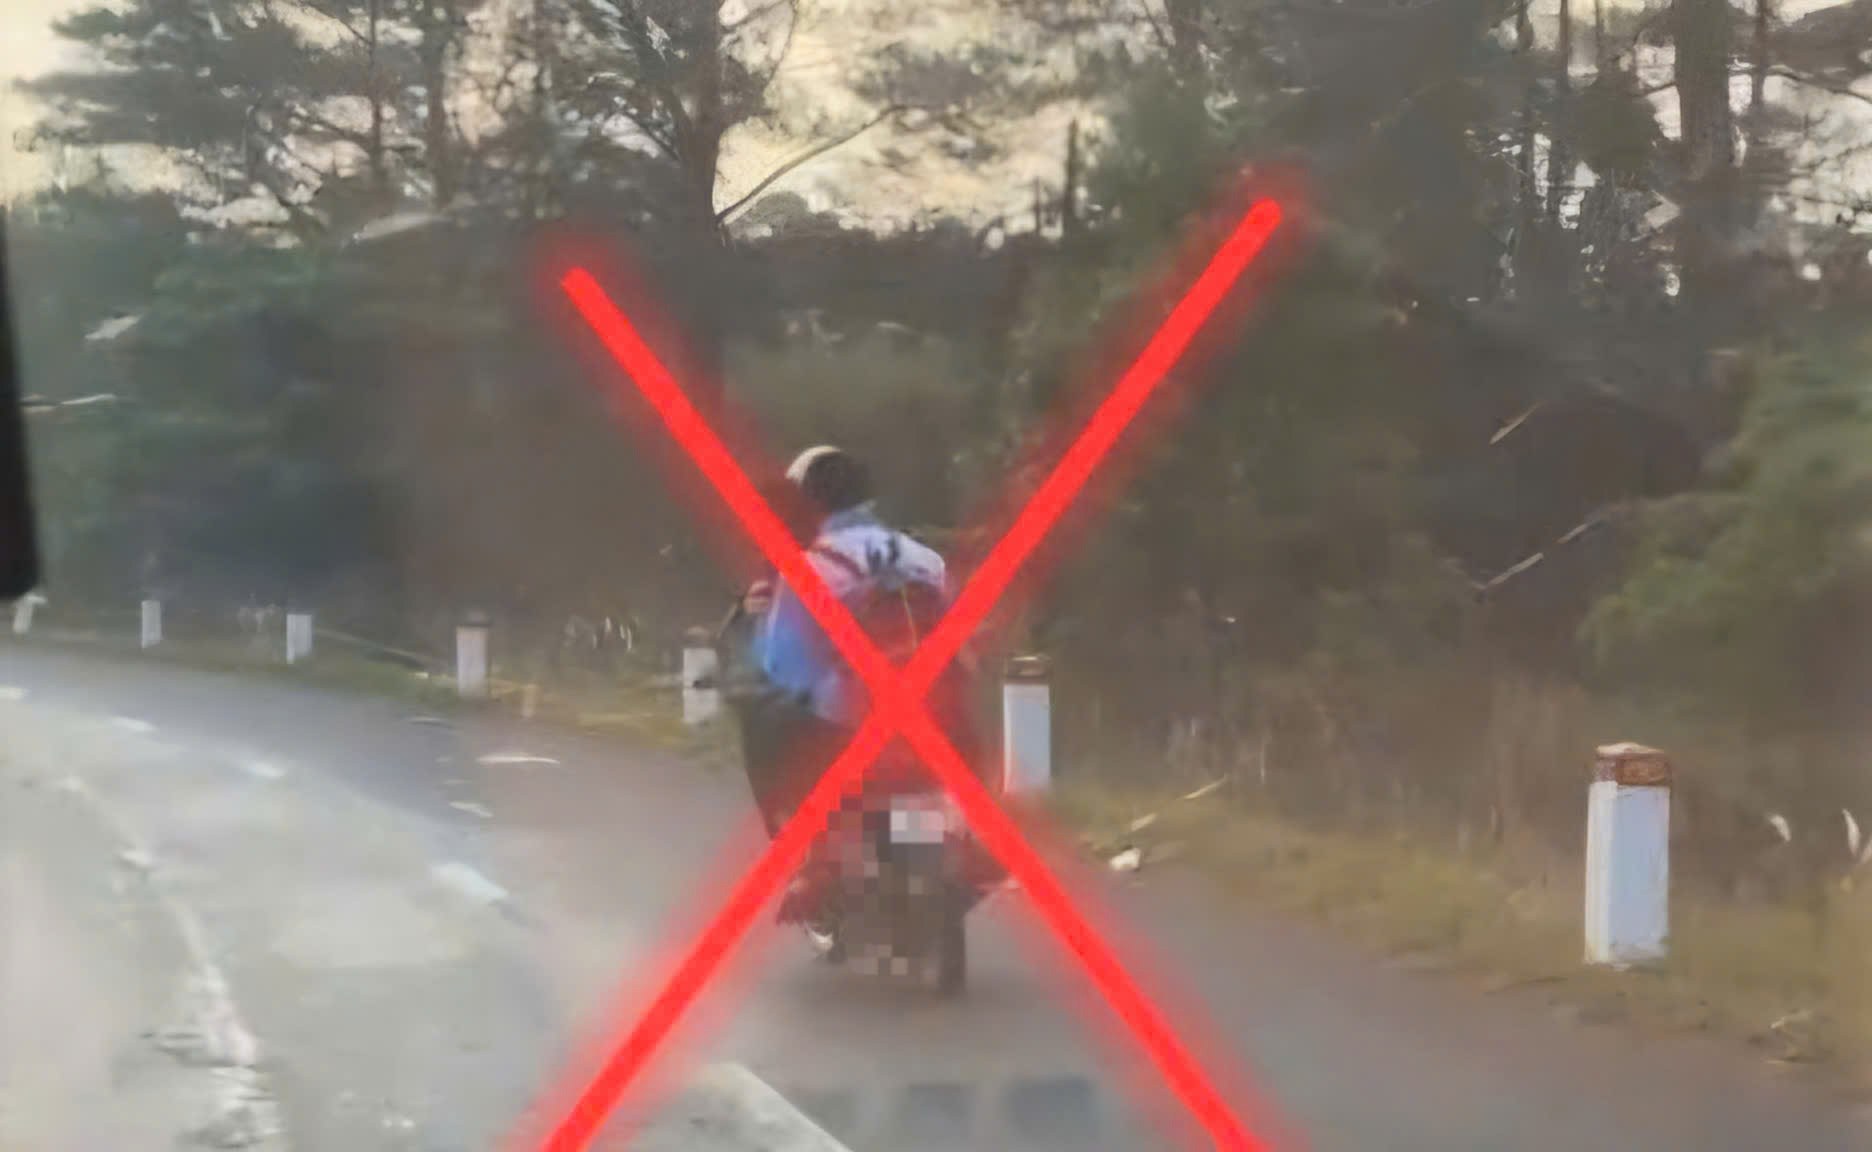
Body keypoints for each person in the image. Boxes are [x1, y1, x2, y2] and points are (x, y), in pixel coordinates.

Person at [737, 445, 989, 924]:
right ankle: (971, 836)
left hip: (850, 722)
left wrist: (763, 619)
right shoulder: (925, 560)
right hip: (937, 716)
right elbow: (961, 645)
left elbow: (782, 666)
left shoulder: (812, 566)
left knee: (762, 713)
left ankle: (811, 855)